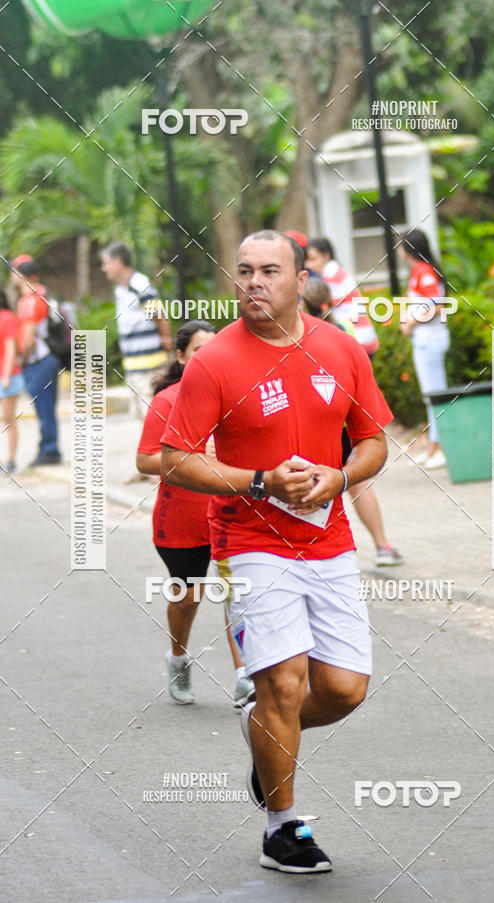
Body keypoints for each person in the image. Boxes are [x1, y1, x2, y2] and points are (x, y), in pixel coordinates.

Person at [161, 230, 393, 874]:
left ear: (299, 281)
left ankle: (263, 730)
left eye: (269, 271)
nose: (254, 283)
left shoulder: (341, 349)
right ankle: (282, 827)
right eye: (243, 272)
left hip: (330, 540)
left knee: (345, 690)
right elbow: (175, 460)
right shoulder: (215, 362)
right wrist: (259, 481)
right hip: (252, 539)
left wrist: (340, 477)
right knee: (283, 684)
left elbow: (373, 441)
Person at [136, 320, 255, 708]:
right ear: (182, 356)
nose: (208, 358)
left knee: (234, 594)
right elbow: (144, 460)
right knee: (188, 597)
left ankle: (244, 676)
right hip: (182, 521)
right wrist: (194, 462)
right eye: (199, 351)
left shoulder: (233, 393)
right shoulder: (168, 400)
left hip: (229, 512)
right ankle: (178, 657)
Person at [301, 279, 402, 567]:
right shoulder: (343, 330)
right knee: (358, 484)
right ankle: (383, 546)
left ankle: (314, 553)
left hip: (329, 426)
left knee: (322, 485)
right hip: (346, 424)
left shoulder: (310, 338)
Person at [100, 242, 172, 420]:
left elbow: (159, 315)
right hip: (133, 366)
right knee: (139, 415)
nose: (104, 268)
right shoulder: (121, 290)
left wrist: (166, 342)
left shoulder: (139, 284)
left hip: (149, 365)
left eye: (106, 263)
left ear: (118, 262)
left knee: (152, 416)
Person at [399, 229, 449, 470]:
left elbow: (437, 305)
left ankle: (441, 448)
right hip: (427, 339)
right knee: (431, 395)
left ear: (408, 249)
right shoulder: (421, 270)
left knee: (435, 396)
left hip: (429, 339)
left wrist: (410, 322)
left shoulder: (423, 271)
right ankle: (434, 447)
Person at [11, 255, 61, 466]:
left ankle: (49, 451)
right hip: (50, 358)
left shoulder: (29, 300)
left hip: (37, 361)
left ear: (20, 275)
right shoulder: (44, 293)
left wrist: (20, 359)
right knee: (47, 406)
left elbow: (29, 337)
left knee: (44, 407)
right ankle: (48, 448)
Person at [305, 237, 379, 357]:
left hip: (355, 338)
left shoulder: (331, 275)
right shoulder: (338, 272)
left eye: (313, 259)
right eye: (307, 260)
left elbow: (316, 301)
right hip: (362, 336)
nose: (309, 265)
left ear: (326, 256)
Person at [0, 288, 26, 474]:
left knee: (9, 419)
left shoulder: (7, 317)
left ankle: (11, 460)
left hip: (7, 377)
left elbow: (11, 349)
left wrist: (6, 376)